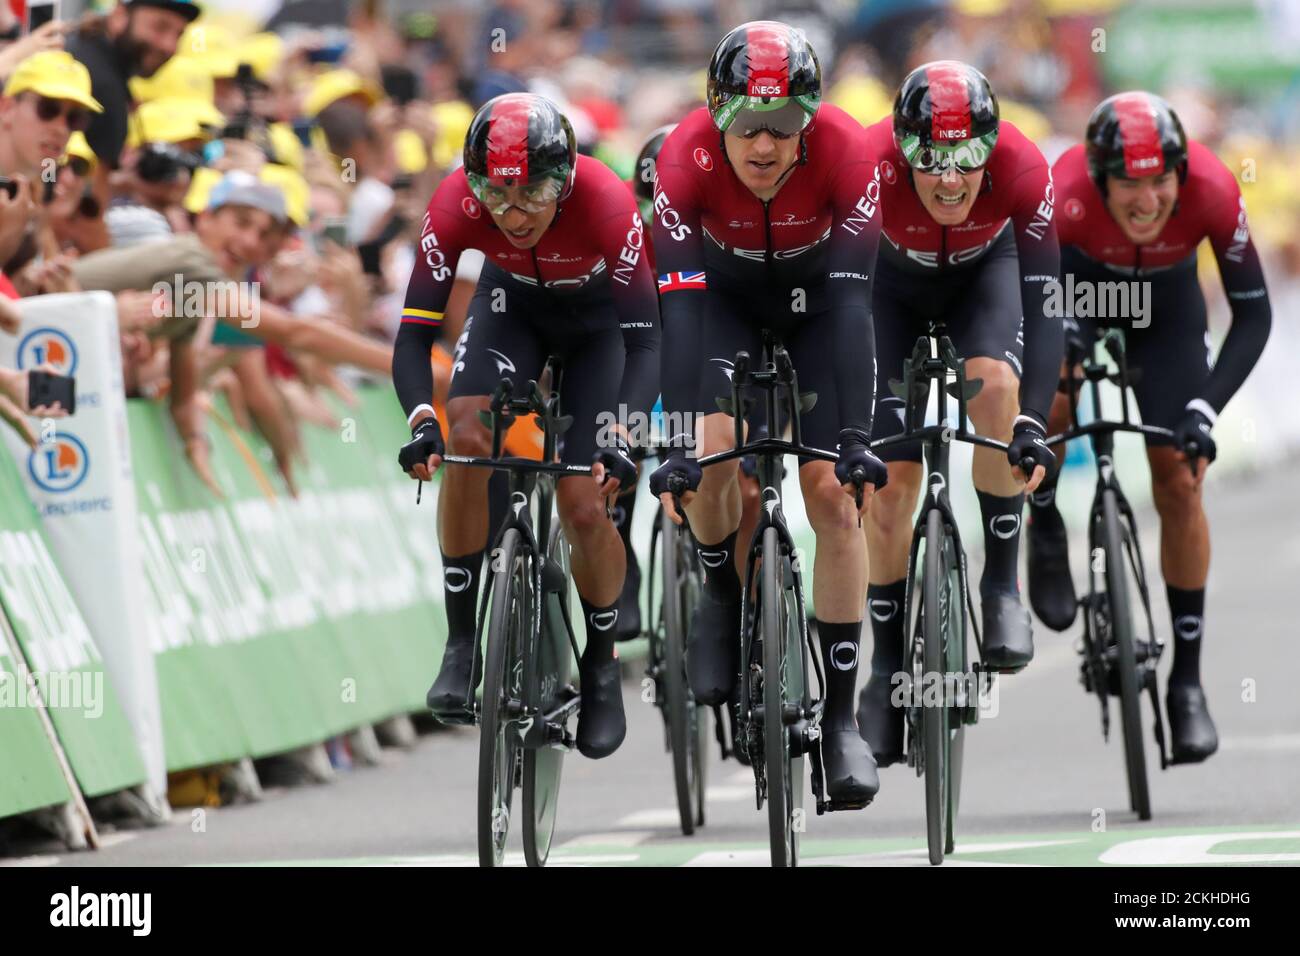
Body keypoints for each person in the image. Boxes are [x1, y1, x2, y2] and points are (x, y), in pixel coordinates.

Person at [647, 21, 887, 804]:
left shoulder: (850, 153)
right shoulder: (683, 161)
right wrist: (680, 440)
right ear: (717, 116)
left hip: (821, 307)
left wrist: (853, 438)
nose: (762, 146)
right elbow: (676, 316)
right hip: (719, 306)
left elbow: (856, 310)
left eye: (783, 128)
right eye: (746, 126)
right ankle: (721, 592)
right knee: (714, 452)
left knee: (834, 500)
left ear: (808, 123)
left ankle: (844, 724)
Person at [393, 92, 660, 760]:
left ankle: (598, 665)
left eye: (533, 193)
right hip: (511, 306)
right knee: (467, 437)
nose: (512, 214)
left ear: (565, 177)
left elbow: (647, 342)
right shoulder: (456, 202)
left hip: (602, 328)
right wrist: (421, 419)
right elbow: (411, 336)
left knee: (583, 502)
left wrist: (623, 436)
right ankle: (461, 642)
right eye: (495, 194)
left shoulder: (606, 201)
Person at [1032, 92, 1272, 763]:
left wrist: (1206, 408)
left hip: (1164, 312)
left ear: (1181, 172)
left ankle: (1187, 685)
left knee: (1181, 477)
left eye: (1160, 180)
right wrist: (1059, 337)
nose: (1147, 200)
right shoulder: (1062, 190)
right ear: (1099, 176)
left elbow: (1253, 317)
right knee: (1051, 398)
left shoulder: (1216, 192)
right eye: (1129, 184)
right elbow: (1026, 292)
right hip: (1075, 290)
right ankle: (1045, 530)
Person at [856, 61, 1062, 766]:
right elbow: (838, 294)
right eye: (931, 162)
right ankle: (886, 673)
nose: (949, 180)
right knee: (890, 492)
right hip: (891, 292)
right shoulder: (865, 167)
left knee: (994, 388)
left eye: (967, 161)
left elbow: (1046, 303)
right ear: (901, 149)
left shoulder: (1025, 167)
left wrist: (1033, 420)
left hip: (986, 279)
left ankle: (1002, 583)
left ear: (992, 146)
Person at [65, 0, 200, 172]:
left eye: (179, 35)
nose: (169, 46)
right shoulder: (104, 86)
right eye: (160, 27)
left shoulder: (79, 45)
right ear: (119, 15)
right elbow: (94, 189)